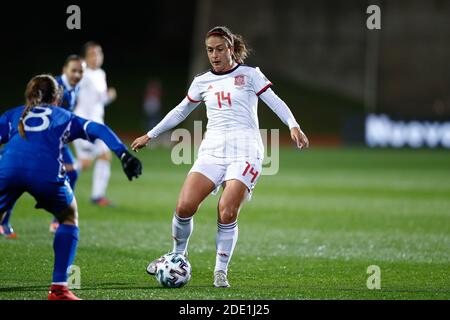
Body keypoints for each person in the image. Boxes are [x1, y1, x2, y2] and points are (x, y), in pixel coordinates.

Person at [131, 26, 309, 288]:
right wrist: (151, 134)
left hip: (246, 151)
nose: (214, 55)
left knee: (226, 211)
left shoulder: (250, 75)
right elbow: (181, 111)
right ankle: (177, 256)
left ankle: (220, 270)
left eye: (219, 49)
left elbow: (275, 100)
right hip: (212, 151)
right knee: (184, 207)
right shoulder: (202, 81)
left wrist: (293, 124)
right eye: (210, 50)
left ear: (231, 48)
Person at [0, 75, 142, 299]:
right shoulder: (63, 116)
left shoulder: (13, 114)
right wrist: (123, 154)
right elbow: (99, 129)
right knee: (68, 216)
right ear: (57, 98)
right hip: (44, 172)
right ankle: (58, 289)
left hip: (8, 169)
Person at [0, 55, 84, 237]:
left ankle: (58, 219)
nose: (77, 74)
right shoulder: (56, 88)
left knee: (72, 172)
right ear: (64, 70)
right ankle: (5, 222)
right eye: (74, 70)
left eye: (80, 71)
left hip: (54, 139)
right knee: (16, 181)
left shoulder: (75, 88)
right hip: (41, 139)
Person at [73, 41, 118, 207]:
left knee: (105, 156)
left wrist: (109, 96)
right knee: (84, 163)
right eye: (92, 54)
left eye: (99, 53)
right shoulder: (82, 73)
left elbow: (98, 101)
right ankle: (50, 179)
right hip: (83, 125)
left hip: (97, 125)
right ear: (85, 57)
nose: (96, 57)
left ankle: (97, 196)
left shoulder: (100, 73)